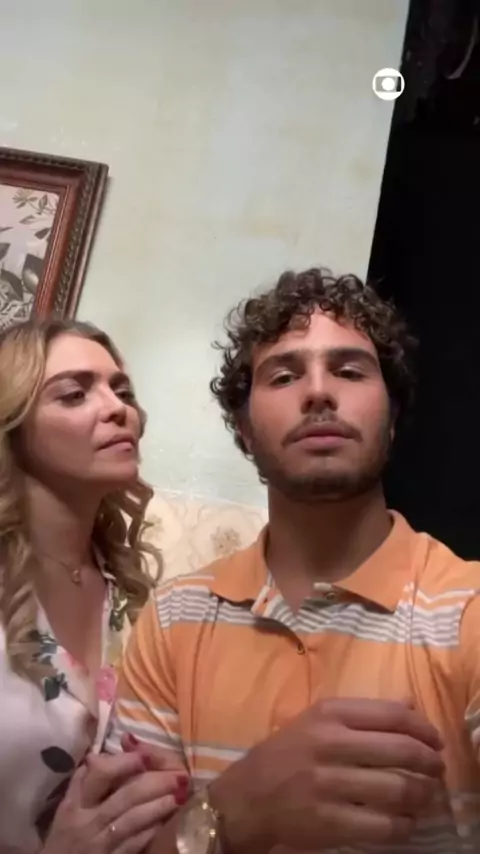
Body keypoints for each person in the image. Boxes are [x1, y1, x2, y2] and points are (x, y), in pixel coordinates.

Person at [110, 268, 480, 853]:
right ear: (243, 430)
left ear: (392, 417)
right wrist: (235, 809)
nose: (318, 392)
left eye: (350, 371)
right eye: (284, 375)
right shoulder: (174, 619)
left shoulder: (468, 610)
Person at [0, 318, 188, 854]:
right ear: (13, 425)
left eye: (122, 391)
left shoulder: (128, 595)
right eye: (74, 394)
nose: (118, 409)